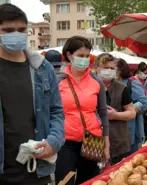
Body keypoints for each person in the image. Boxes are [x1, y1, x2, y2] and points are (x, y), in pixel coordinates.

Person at [0, 4, 65, 185]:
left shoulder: (43, 69)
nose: (16, 34)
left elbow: (56, 112)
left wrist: (53, 142)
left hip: (36, 169)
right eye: (8, 30)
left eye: (21, 30)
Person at [55, 36, 110, 185]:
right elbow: (51, 113)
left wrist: (106, 144)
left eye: (87, 56)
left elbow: (103, 114)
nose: (85, 60)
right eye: (80, 56)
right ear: (69, 55)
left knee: (89, 181)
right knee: (64, 182)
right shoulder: (58, 81)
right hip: (66, 141)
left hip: (93, 140)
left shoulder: (96, 81)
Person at [94, 53, 136, 164]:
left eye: (111, 68)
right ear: (97, 68)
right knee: (94, 177)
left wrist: (116, 115)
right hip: (94, 139)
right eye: (105, 67)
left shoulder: (121, 88)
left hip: (118, 142)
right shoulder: (89, 86)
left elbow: (132, 112)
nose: (108, 70)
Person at [117, 59, 147, 154]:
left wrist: (128, 110)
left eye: (112, 68)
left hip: (131, 131)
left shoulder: (131, 83)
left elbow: (144, 102)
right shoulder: (108, 84)